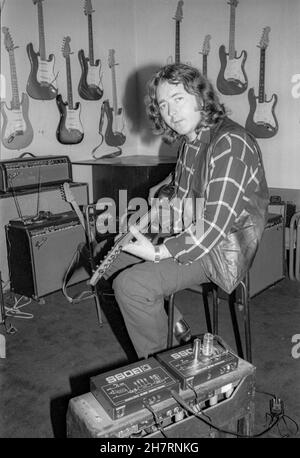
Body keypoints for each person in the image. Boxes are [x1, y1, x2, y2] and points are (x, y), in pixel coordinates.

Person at [96, 63, 269, 360]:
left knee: (131, 285)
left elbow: (213, 227)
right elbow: (182, 193)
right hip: (191, 231)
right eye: (163, 104)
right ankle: (176, 327)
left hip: (220, 249)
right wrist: (149, 218)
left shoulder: (229, 143)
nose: (171, 111)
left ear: (201, 98)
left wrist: (159, 252)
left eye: (178, 99)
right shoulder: (190, 142)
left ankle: (163, 367)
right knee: (110, 257)